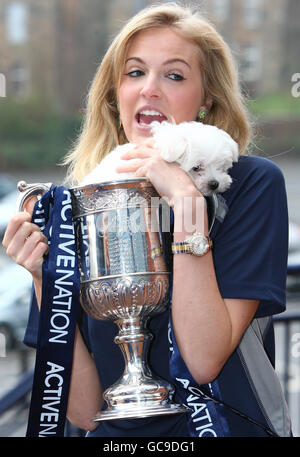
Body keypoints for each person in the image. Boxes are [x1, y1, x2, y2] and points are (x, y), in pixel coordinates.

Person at [2, 3, 292, 437]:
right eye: (135, 73)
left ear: (207, 98)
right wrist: (46, 279)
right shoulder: (81, 201)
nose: (150, 89)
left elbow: (203, 361)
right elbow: (83, 412)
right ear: (115, 95)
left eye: (174, 75)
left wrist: (186, 204)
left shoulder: (245, 185)